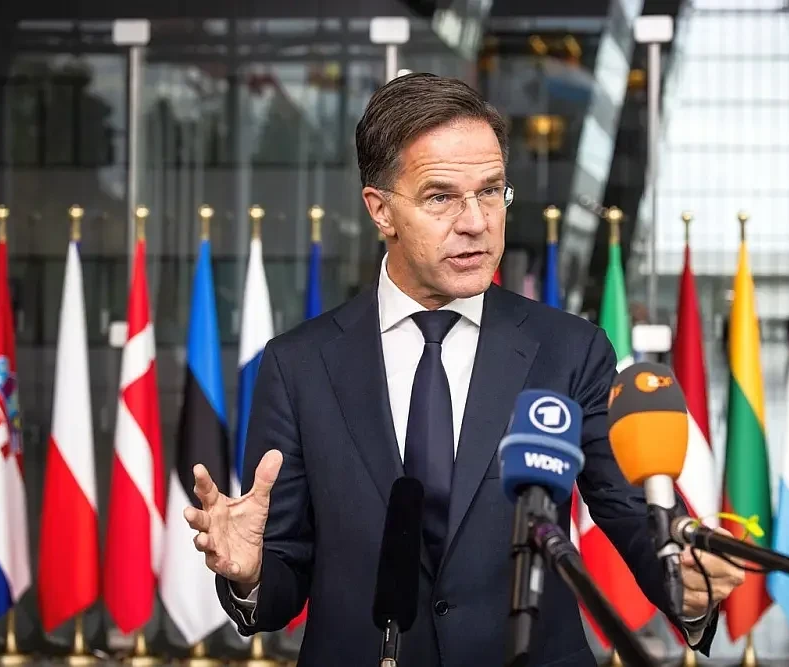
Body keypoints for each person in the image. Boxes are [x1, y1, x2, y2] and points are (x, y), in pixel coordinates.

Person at [184, 72, 744, 666]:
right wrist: (250, 573)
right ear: (380, 210)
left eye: (491, 191)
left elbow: (633, 515)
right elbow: (280, 581)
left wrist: (685, 581)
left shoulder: (569, 350)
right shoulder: (298, 365)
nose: (476, 221)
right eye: (440, 197)